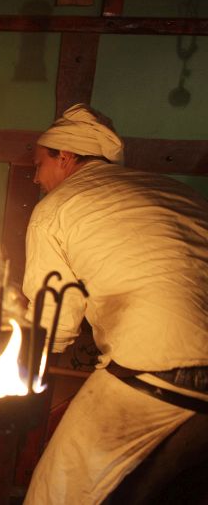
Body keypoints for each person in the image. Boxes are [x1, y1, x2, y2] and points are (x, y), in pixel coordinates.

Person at [21, 103, 208, 504]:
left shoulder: (55, 208)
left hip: (158, 368)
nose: (36, 178)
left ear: (65, 157)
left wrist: (16, 373)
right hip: (178, 368)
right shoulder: (177, 191)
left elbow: (54, 322)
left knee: (56, 491)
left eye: (38, 165)